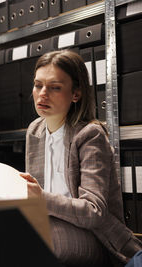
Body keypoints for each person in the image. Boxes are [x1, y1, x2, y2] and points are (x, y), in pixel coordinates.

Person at [19, 50, 142, 267]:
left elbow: (93, 213)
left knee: (34, 243)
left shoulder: (89, 135)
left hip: (95, 236)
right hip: (50, 225)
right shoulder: (34, 130)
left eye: (55, 87)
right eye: (38, 85)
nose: (42, 94)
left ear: (76, 94)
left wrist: (42, 199)